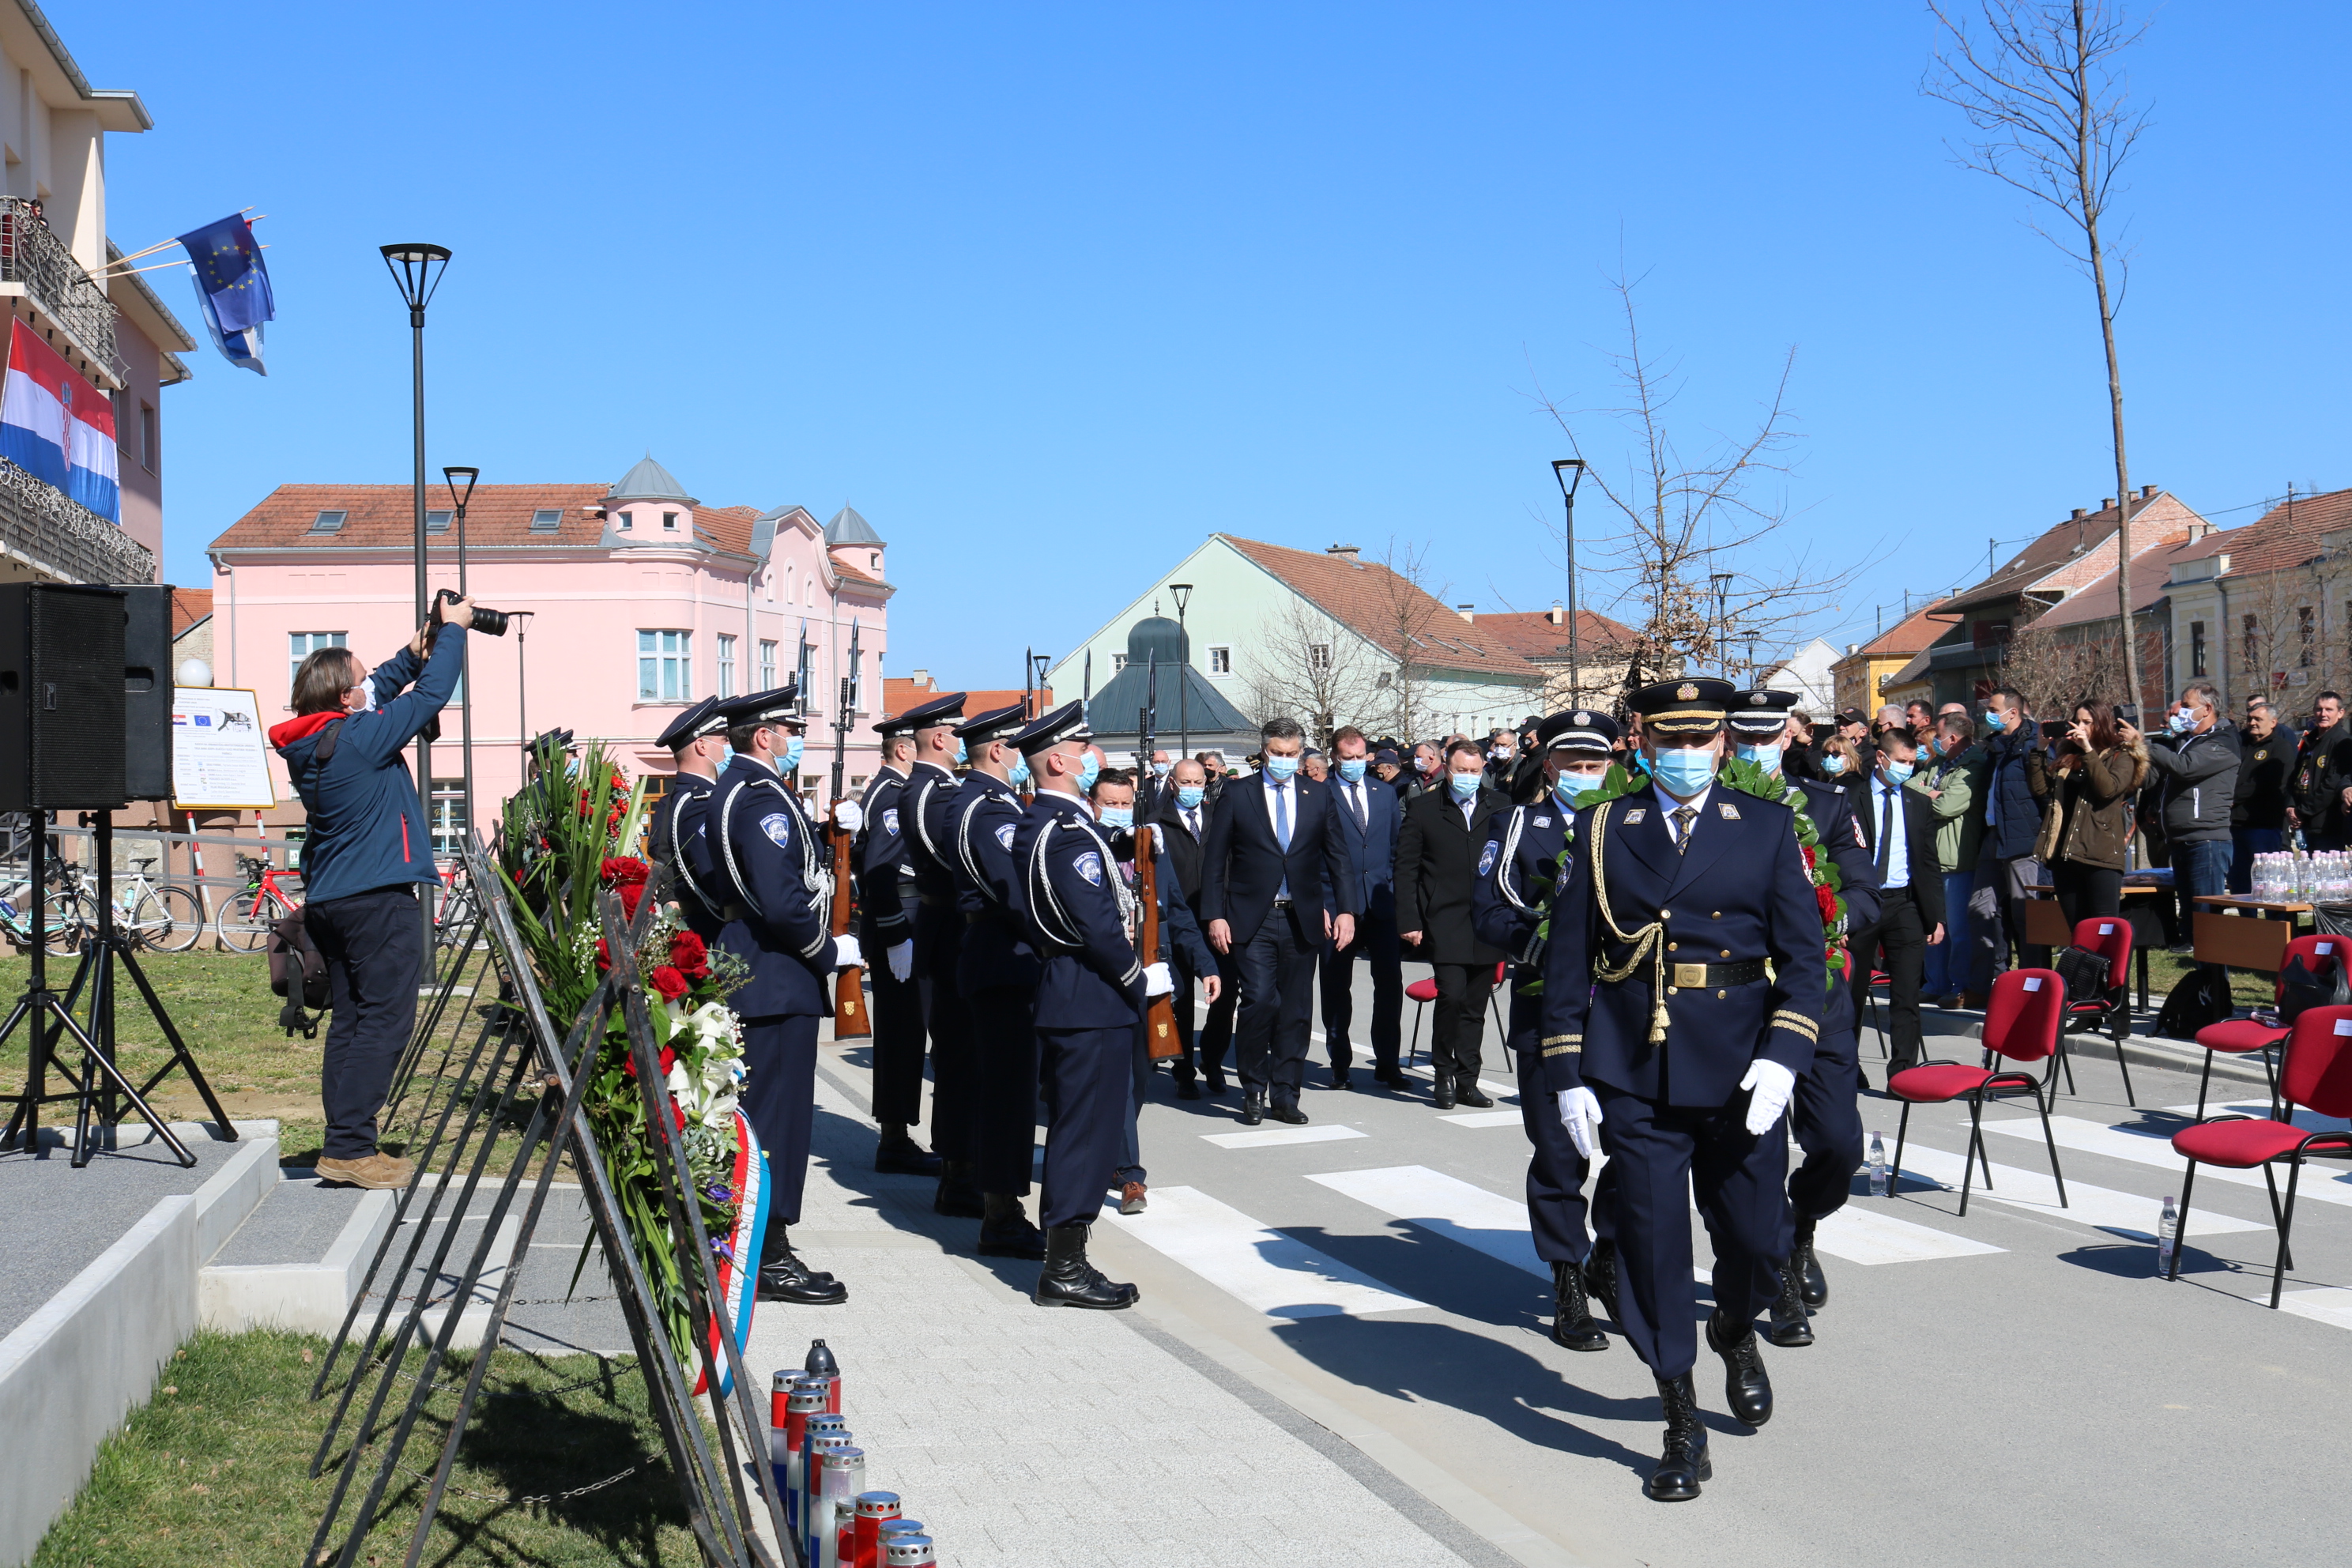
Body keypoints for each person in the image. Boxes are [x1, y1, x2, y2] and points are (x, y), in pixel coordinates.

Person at [1539, 677, 1826, 1502]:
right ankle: (1681, 1416)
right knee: (1652, 1241)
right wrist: (1566, 1073)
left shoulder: (1765, 827)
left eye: (1701, 741)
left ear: (1724, 745)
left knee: (1758, 1240)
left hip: (1740, 1065)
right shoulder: (1602, 829)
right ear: (1642, 739)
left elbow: (1805, 962)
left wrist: (1783, 1057)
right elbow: (1567, 962)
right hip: (1632, 1067)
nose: (1687, 754)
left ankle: (1736, 1328)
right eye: (1671, 739)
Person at [271, 594, 473, 1190]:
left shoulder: (319, 742)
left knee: (353, 1023)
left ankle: (346, 1144)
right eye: (359, 682)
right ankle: (351, 1149)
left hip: (333, 901)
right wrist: (456, 633)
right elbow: (429, 698)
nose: (369, 687)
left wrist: (414, 650)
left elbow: (384, 687)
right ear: (343, 698)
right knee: (385, 1021)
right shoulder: (358, 739)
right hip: (377, 900)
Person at [692, 685, 863, 1304]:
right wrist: (825, 950)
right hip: (776, 972)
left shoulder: (738, 790)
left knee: (766, 1117)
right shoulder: (760, 798)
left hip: (758, 967)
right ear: (763, 736)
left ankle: (760, 1243)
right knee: (776, 1124)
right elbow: (781, 895)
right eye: (789, 730)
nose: (796, 740)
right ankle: (766, 1253)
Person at [1726, 687, 1879, 1346]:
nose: (1759, 748)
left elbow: (1866, 891)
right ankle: (1780, 1276)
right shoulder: (1714, 812)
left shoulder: (1827, 804)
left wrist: (1830, 918)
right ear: (1729, 739)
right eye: (1747, 737)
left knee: (1839, 1144)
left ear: (1788, 737)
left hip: (1818, 1001)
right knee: (1756, 1153)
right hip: (1743, 1006)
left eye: (1769, 736)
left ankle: (1805, 1222)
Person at [1471, 709, 1625, 1352]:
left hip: (1623, 1015)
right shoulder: (1516, 825)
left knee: (1637, 1149)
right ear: (1550, 767)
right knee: (1563, 1153)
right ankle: (1566, 1276)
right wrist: (1541, 943)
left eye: (1596, 765)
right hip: (1549, 1014)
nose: (1585, 776)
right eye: (1573, 766)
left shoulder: (1629, 823)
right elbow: (1488, 910)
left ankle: (1607, 1257)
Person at [1008, 703, 1172, 1309]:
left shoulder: (1051, 825)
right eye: (1084, 747)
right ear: (1058, 760)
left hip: (1075, 992)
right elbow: (1100, 926)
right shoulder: (1065, 833)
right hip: (1090, 996)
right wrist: (1138, 978)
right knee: (1084, 1134)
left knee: (1087, 1130)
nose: (1093, 756)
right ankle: (1065, 1269)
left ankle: (1068, 1259)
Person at [1199, 716, 1359, 1126]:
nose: (1285, 761)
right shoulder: (1237, 793)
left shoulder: (1318, 795)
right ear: (1264, 752)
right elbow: (1215, 861)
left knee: (1295, 1010)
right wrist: (1215, 915)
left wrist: (1345, 909)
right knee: (1258, 1003)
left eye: (1292, 755)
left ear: (1301, 753)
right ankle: (1253, 1088)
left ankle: (1286, 1093)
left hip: (1302, 919)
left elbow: (1338, 857)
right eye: (1277, 754)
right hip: (1251, 919)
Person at [944, 702, 1048, 1259]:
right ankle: (1001, 1213)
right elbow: (1019, 891)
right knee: (1008, 1093)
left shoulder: (987, 801)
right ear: (1000, 750)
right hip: (1004, 954)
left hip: (997, 952)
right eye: (1019, 744)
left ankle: (997, 1202)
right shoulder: (989, 810)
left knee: (1005, 1087)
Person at [1091, 767, 1217, 1214]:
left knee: (1141, 1076)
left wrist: (1205, 966)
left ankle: (1111, 1147)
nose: (1119, 812)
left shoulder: (1151, 851)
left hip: (1154, 977)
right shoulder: (1085, 850)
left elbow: (1179, 914)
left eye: (1126, 804)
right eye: (1111, 803)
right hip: (1104, 978)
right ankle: (1130, 1174)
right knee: (1121, 1075)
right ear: (1093, 804)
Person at [896, 692, 982, 1216]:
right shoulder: (935, 793)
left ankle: (958, 1168)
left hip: (944, 931)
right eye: (958, 730)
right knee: (961, 1059)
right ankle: (960, 1173)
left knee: (957, 1057)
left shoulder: (932, 788)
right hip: (953, 933)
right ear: (940, 737)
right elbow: (956, 863)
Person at [1395, 741, 1510, 1108]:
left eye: (1475, 772)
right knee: (1451, 996)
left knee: (1476, 1005)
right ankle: (1443, 1073)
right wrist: (1410, 919)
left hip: (1487, 920)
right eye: (1462, 770)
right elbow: (1406, 868)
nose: (1469, 778)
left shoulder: (1501, 806)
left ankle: (1467, 1079)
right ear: (1447, 766)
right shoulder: (1424, 807)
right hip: (1443, 918)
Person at [854, 712, 939, 1175]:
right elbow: (883, 873)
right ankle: (894, 1139)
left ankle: (895, 1135)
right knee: (903, 1035)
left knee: (903, 1033)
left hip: (905, 921)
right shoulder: (892, 795)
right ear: (904, 750)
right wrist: (895, 935)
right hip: (902, 922)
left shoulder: (891, 791)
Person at [1848, 726, 1947, 1076]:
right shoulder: (1849, 796)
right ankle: (1847, 1065)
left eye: (1912, 762)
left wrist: (1936, 917)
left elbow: (1928, 863)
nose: (1908, 768)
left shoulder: (1917, 803)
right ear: (1882, 758)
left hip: (1903, 903)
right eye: (1902, 761)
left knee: (1907, 993)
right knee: (1852, 990)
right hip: (1861, 902)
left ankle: (1903, 1069)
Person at [1319, 726, 1406, 1090]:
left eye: (1360, 758)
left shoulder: (1384, 794)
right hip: (1337, 903)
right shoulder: (1319, 795)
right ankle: (1340, 1063)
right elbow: (1310, 855)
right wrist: (1322, 907)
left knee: (1389, 985)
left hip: (1381, 904)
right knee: (1337, 986)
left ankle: (1387, 1062)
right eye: (1347, 758)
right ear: (1334, 757)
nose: (1354, 764)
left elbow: (1396, 847)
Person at [2026, 701, 2147, 928]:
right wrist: (2040, 749)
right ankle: (2083, 965)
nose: (2080, 726)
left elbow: (2107, 790)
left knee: (2104, 928)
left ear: (2101, 725)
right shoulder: (2068, 756)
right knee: (2078, 929)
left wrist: (2089, 751)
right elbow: (2040, 789)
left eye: (2087, 722)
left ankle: (2111, 965)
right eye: (2077, 720)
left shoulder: (2120, 756)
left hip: (2100, 856)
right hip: (2065, 855)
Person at [2138, 682, 2240, 949]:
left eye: (2185, 706)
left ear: (2207, 709)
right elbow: (2153, 780)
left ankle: (2216, 982)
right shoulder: (2191, 741)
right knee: (2192, 922)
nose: (2179, 712)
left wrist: (2145, 743)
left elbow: (2185, 768)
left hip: (2206, 841)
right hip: (2182, 838)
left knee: (2207, 922)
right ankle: (2201, 980)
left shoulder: (2223, 741)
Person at [1155, 758, 1233, 1097]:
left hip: (1218, 919)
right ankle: (1183, 1069)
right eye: (1185, 782)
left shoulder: (1219, 820)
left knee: (1223, 995)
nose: (1191, 789)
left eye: (1198, 782)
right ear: (1172, 784)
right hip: (1176, 920)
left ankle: (1212, 1062)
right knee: (1182, 998)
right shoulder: (1156, 823)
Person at [1969, 686, 2041, 1002]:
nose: (1988, 714)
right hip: (1993, 836)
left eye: (1994, 709)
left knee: (2026, 914)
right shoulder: (1995, 747)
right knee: (1981, 908)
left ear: (2013, 712)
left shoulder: (2033, 743)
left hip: (2024, 840)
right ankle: (1995, 981)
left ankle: (2032, 986)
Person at [1913, 712, 1983, 1008]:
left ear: (1952, 739)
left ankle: (1959, 986)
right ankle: (1935, 983)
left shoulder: (1974, 764)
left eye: (1938, 736)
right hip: (1932, 859)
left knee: (1957, 929)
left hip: (1958, 860)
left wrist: (1929, 795)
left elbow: (1947, 806)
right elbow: (1908, 784)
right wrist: (1931, 791)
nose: (1934, 743)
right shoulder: (1940, 763)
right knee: (1932, 926)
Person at [2233, 700, 2294, 891]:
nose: (2252, 723)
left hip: (2263, 827)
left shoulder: (2281, 748)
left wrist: (2231, 797)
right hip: (2234, 825)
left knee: (2268, 884)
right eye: (2250, 719)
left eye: (2258, 719)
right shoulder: (2239, 745)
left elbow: (2267, 784)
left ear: (2273, 722)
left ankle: (2276, 921)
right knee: (2239, 883)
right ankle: (2246, 920)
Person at [2289, 692, 2350, 851]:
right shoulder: (2309, 740)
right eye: (2319, 709)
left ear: (2340, 713)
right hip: (2304, 825)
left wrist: (2301, 812)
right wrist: (2290, 807)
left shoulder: (2342, 743)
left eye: (2329, 710)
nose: (2323, 714)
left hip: (2326, 827)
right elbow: (2295, 777)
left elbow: (2331, 785)